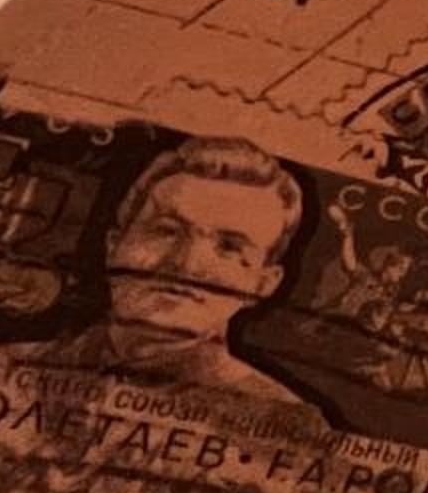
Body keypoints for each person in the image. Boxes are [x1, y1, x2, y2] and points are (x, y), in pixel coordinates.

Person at [93, 137, 307, 397]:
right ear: (113, 245)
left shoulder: (279, 414)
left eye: (229, 247)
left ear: (262, 285)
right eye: (166, 231)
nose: (187, 264)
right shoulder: (42, 358)